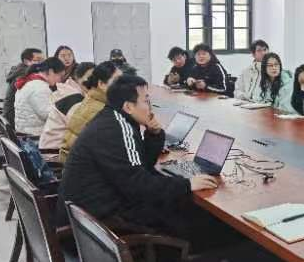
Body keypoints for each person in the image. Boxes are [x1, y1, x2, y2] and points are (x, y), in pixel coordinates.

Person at [57, 75, 235, 252]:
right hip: (98, 231)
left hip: (88, 220)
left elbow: (140, 167)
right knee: (195, 218)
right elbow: (138, 184)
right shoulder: (117, 129)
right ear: (128, 106)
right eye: (146, 100)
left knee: (178, 203)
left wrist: (154, 134)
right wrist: (187, 184)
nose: (151, 106)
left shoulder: (112, 119)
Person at [60, 61, 122, 162]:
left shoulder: (95, 101)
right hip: (80, 167)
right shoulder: (99, 110)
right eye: (117, 81)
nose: (124, 85)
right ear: (101, 84)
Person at [38, 62, 95, 152]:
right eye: (90, 77)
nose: (94, 82)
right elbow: (83, 129)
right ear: (77, 78)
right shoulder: (73, 97)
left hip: (51, 148)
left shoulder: (67, 90)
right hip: (55, 153)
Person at [14, 58, 66, 136]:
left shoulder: (30, 81)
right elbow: (49, 115)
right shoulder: (40, 87)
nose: (60, 80)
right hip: (33, 137)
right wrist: (64, 103)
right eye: (60, 76)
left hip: (24, 132)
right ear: (51, 71)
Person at [3, 48, 44, 129]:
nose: (42, 63)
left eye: (43, 60)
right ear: (26, 61)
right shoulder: (24, 74)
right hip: (14, 118)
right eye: (38, 60)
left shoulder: (19, 70)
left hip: (11, 114)